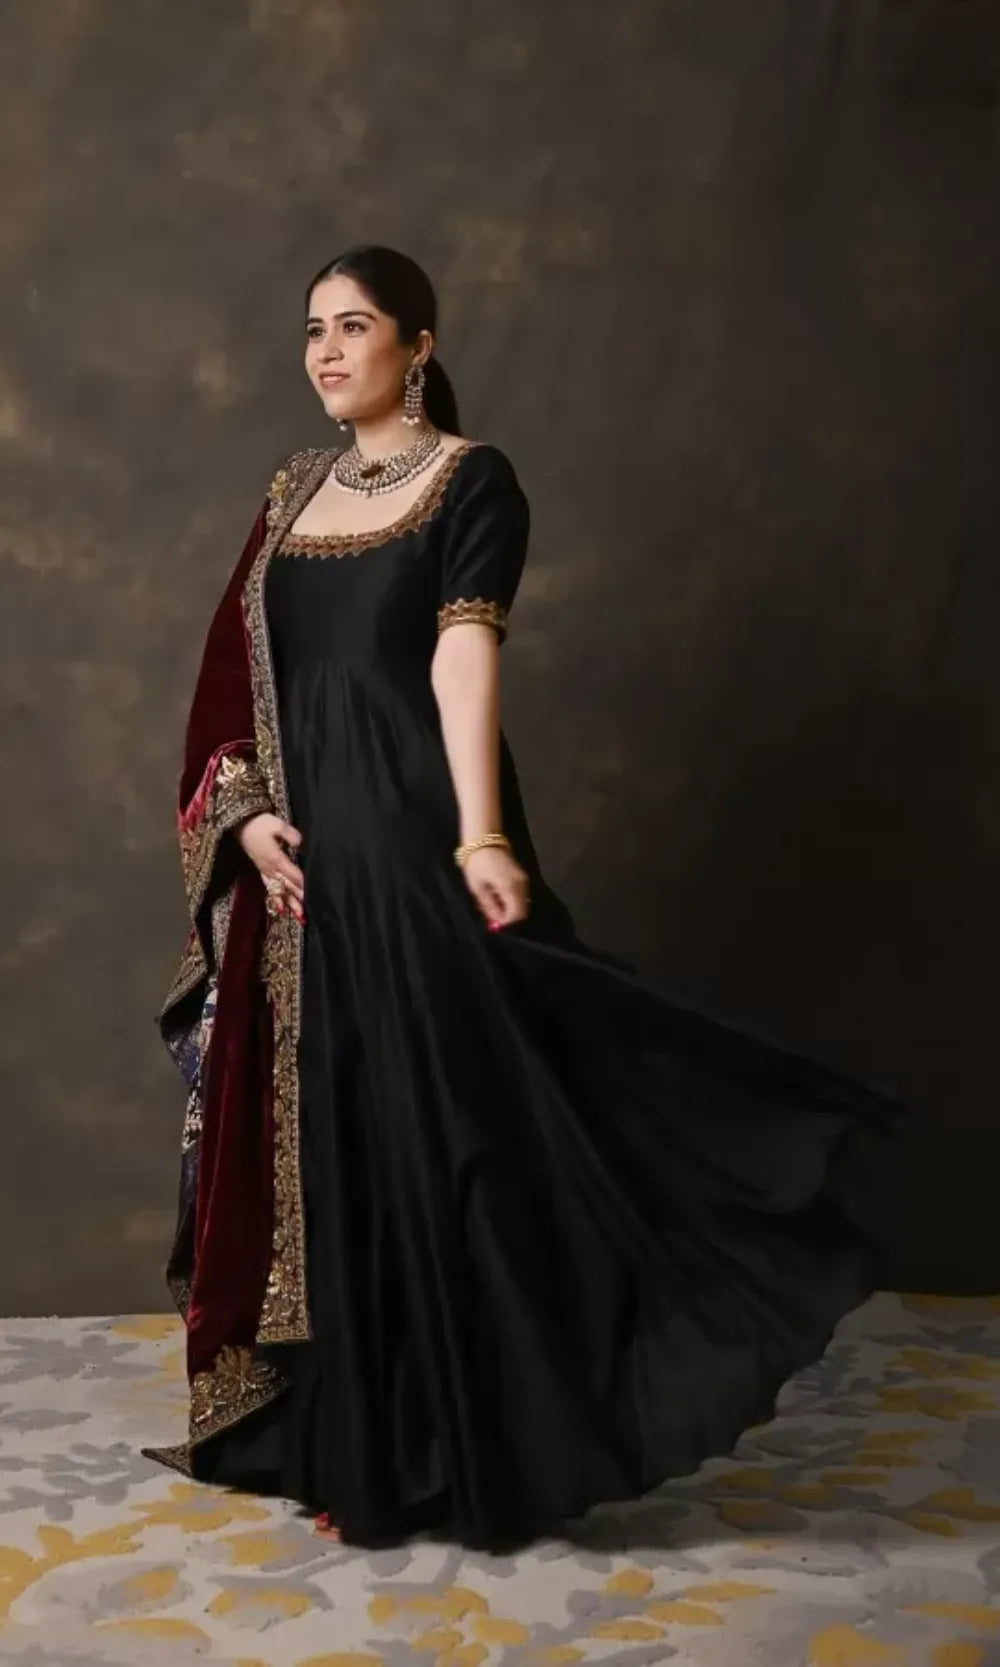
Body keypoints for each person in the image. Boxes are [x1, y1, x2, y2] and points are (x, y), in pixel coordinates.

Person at [142, 243, 902, 1552]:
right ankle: (361, 1453)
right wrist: (249, 815)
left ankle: (479, 1446)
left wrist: (481, 837)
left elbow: (460, 661)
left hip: (412, 837)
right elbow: (231, 679)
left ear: (418, 345)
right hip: (305, 874)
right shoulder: (290, 492)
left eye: (356, 326)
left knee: (460, 1129)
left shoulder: (471, 479)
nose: (328, 352)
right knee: (339, 1141)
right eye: (314, 329)